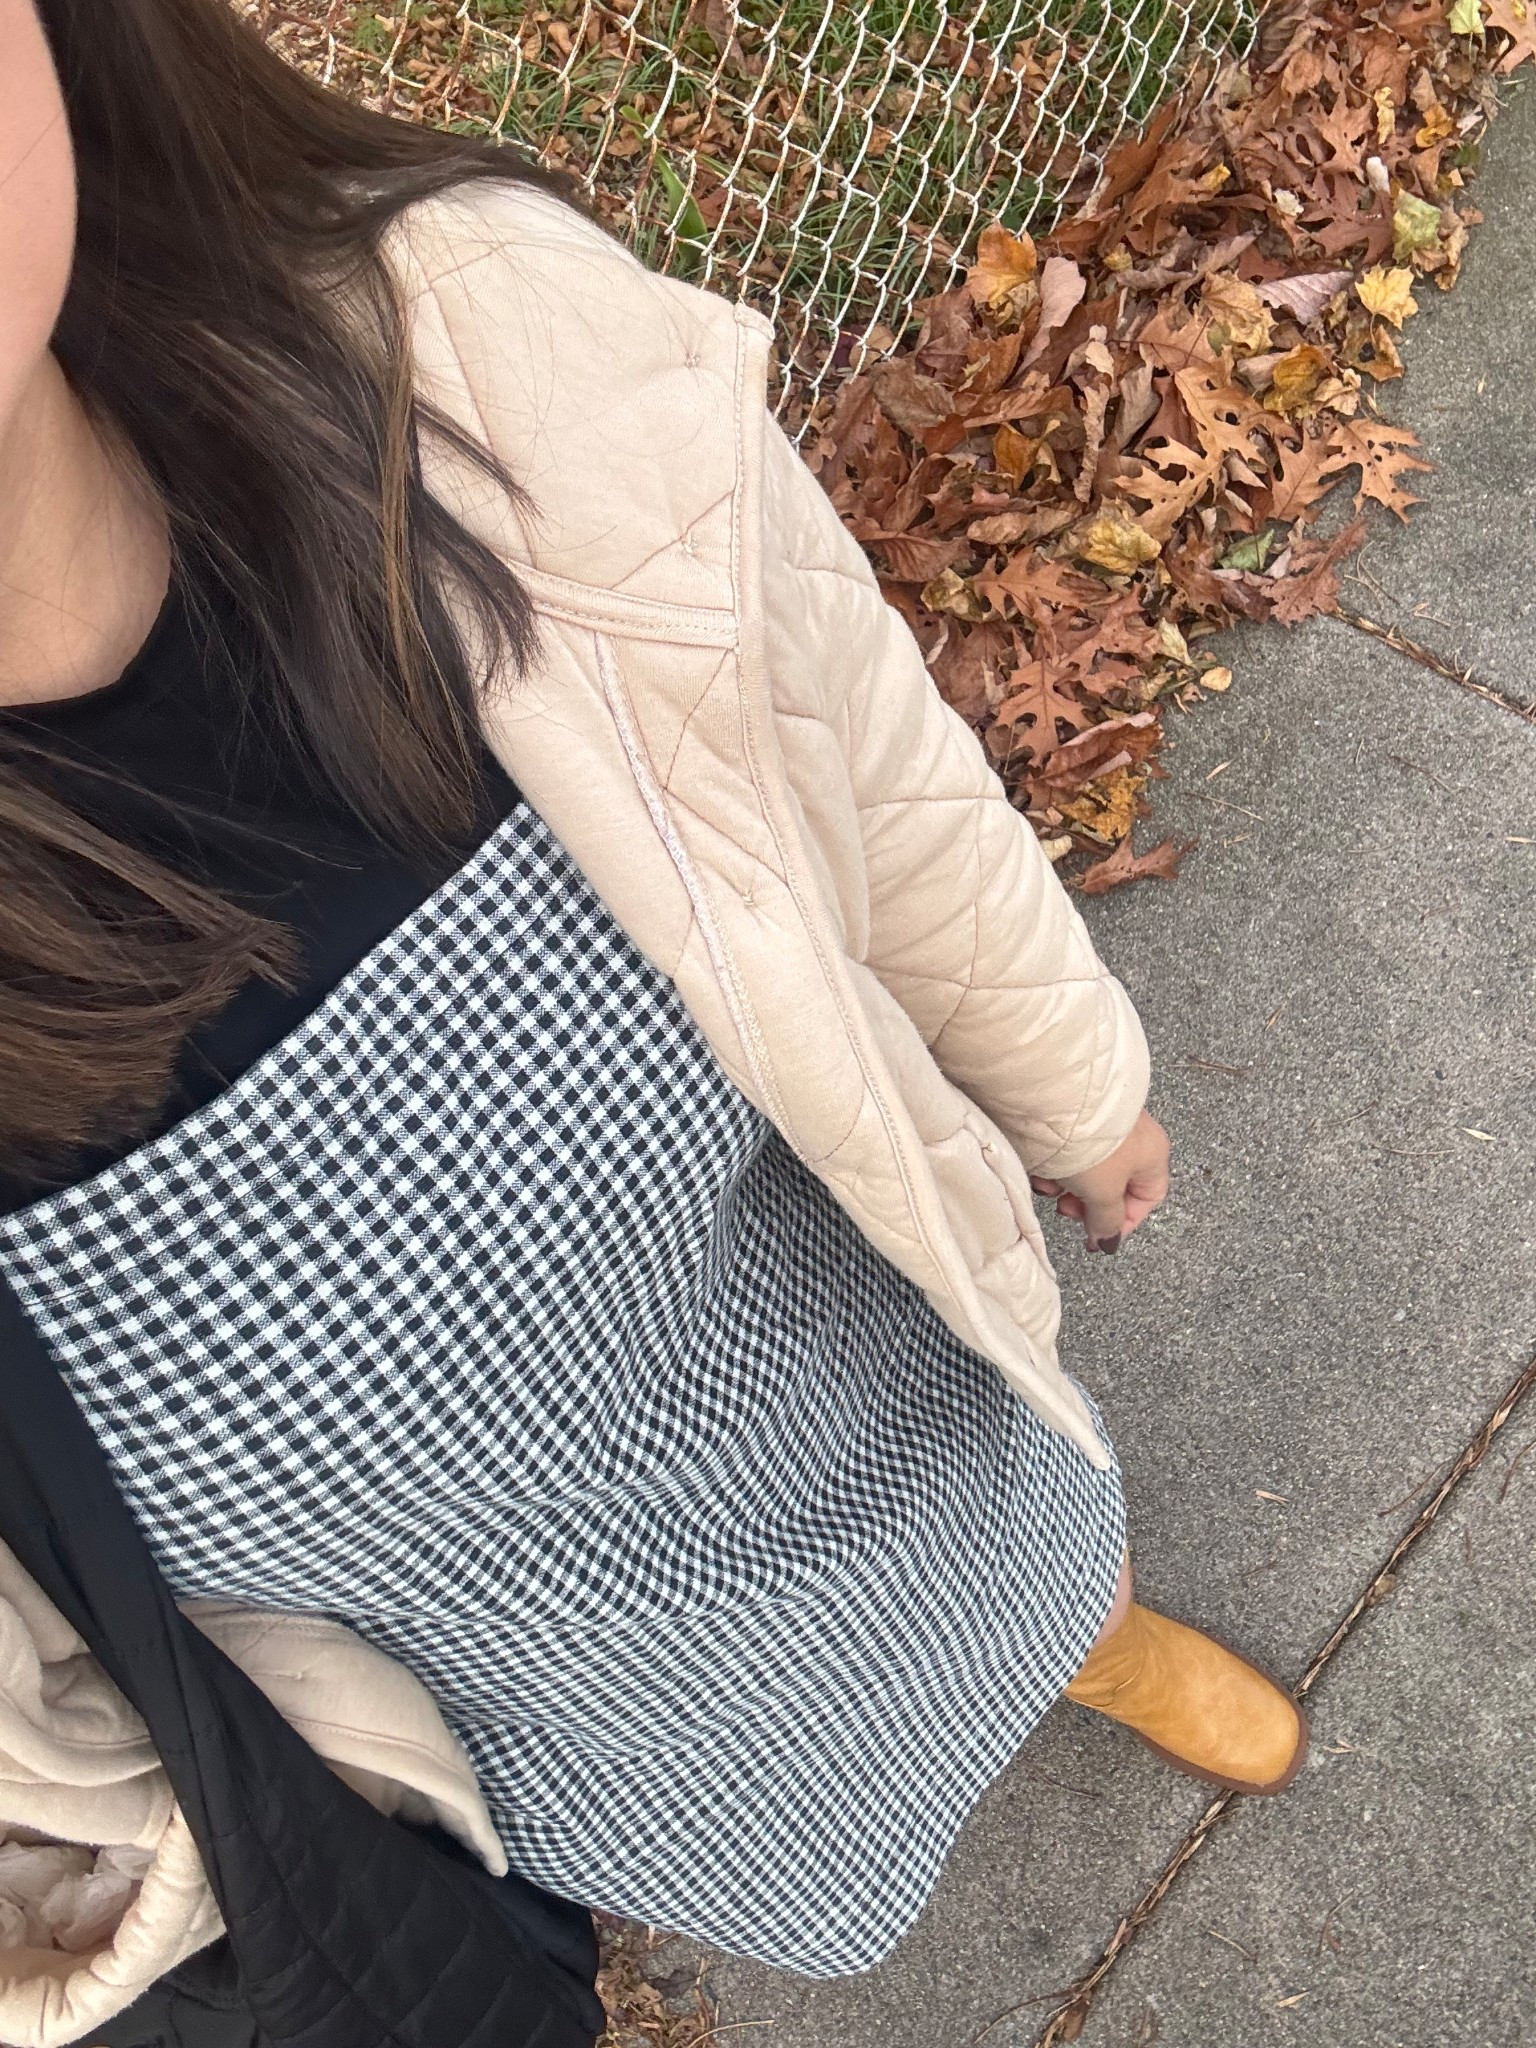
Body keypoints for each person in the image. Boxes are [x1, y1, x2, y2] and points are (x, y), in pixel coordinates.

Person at [0, 0, 1306, 1987]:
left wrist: (1068, 1078)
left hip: (845, 1355)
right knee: (751, 1791)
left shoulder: (474, 345)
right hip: (552, 1675)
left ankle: (1084, 1637)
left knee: (1022, 1544)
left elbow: (854, 738)